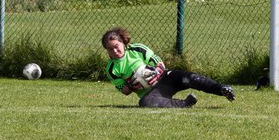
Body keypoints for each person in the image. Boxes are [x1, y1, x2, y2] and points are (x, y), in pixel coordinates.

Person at [100, 27, 235, 108]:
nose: (115, 51)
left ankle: (222, 89)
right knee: (145, 103)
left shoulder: (138, 49)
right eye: (110, 49)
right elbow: (125, 91)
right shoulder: (112, 69)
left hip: (165, 78)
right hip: (151, 92)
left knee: (190, 78)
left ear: (122, 42)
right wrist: (134, 84)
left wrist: (155, 73)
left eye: (116, 46)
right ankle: (184, 104)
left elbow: (160, 65)